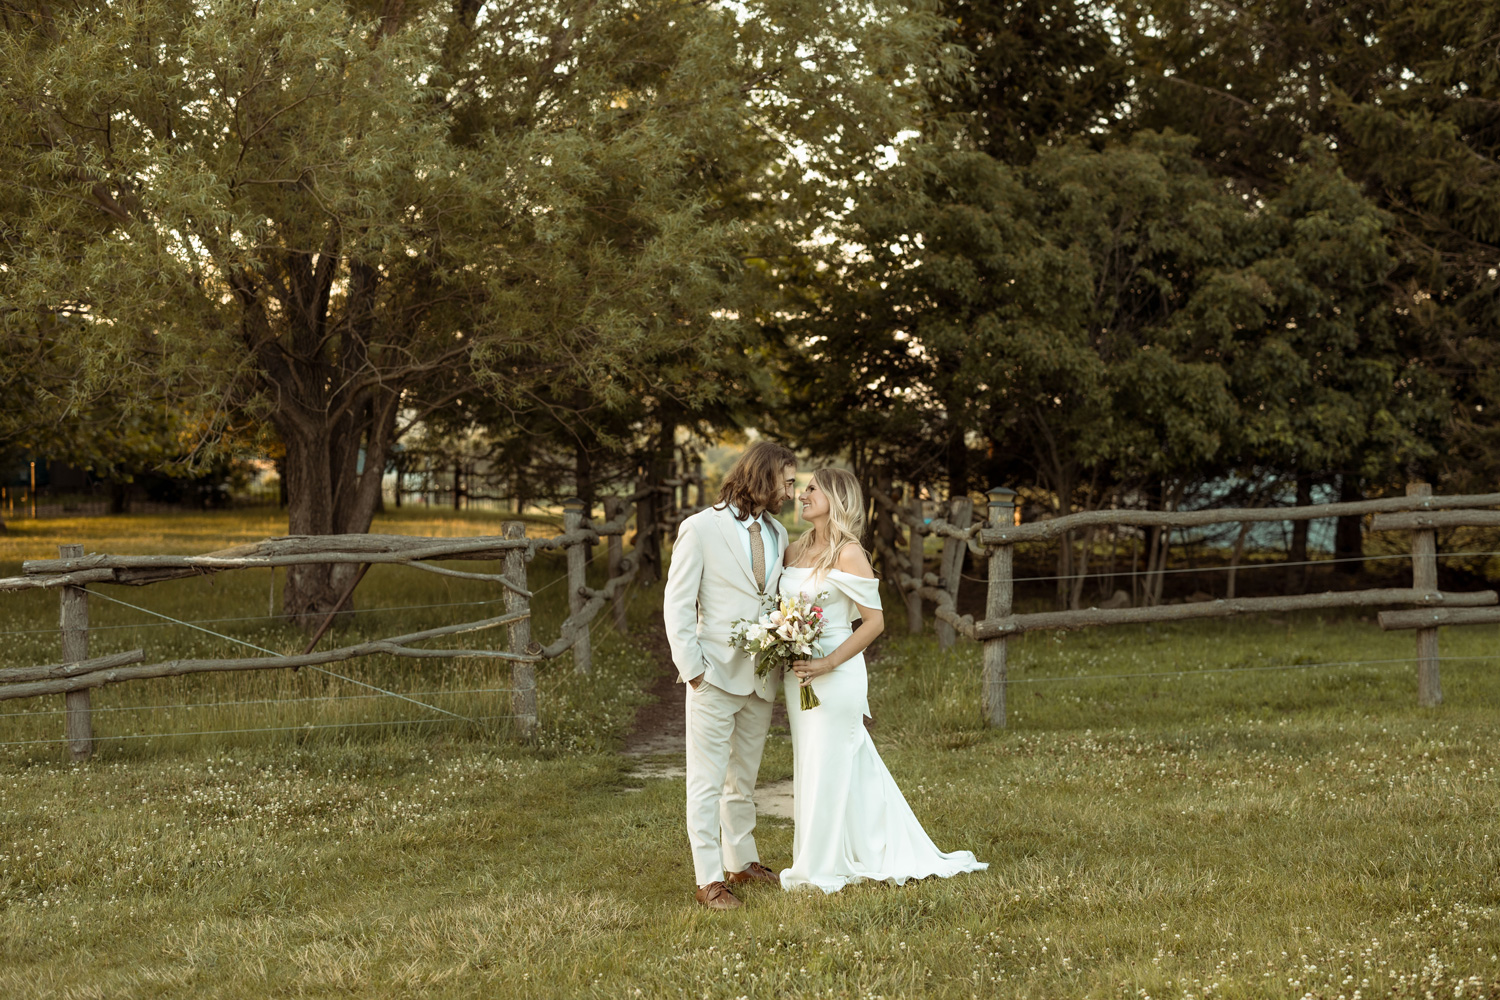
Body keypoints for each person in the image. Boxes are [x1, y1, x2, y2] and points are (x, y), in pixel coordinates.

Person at [780, 467, 988, 893]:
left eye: (812, 488)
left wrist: (826, 664)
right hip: (797, 673)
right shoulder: (794, 549)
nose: (802, 494)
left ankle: (818, 868)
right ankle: (833, 850)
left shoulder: (849, 553)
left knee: (830, 763)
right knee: (813, 764)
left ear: (835, 498)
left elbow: (872, 623)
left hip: (835, 674)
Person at [663, 441, 798, 910]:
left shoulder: (779, 533)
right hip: (713, 676)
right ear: (764, 476)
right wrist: (694, 671)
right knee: (705, 781)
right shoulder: (700, 528)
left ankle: (741, 861)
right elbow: (677, 604)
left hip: (762, 677)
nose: (792, 490)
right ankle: (708, 879)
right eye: (788, 479)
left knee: (743, 778)